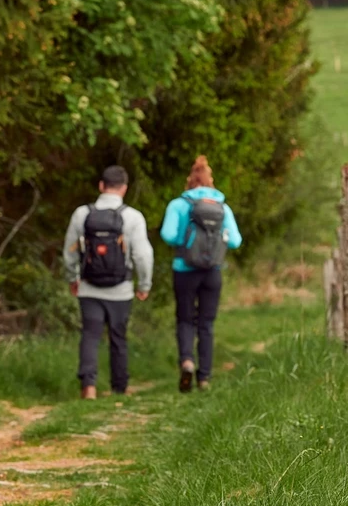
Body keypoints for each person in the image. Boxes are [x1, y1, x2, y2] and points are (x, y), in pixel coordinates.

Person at [62, 165, 153, 400]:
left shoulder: (82, 214)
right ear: (124, 189)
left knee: (90, 335)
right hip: (121, 289)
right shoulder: (132, 217)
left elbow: (70, 251)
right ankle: (119, 388)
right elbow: (142, 255)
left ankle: (88, 387)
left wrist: (73, 278)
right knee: (118, 337)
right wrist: (144, 284)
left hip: (89, 287)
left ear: (101, 186)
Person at [160, 155, 242, 393]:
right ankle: (204, 377)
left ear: (190, 181)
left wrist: (184, 242)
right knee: (206, 324)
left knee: (185, 319)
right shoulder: (222, 208)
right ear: (210, 181)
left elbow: (167, 234)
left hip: (184, 270)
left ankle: (187, 361)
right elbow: (236, 241)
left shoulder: (178, 205)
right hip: (212, 271)